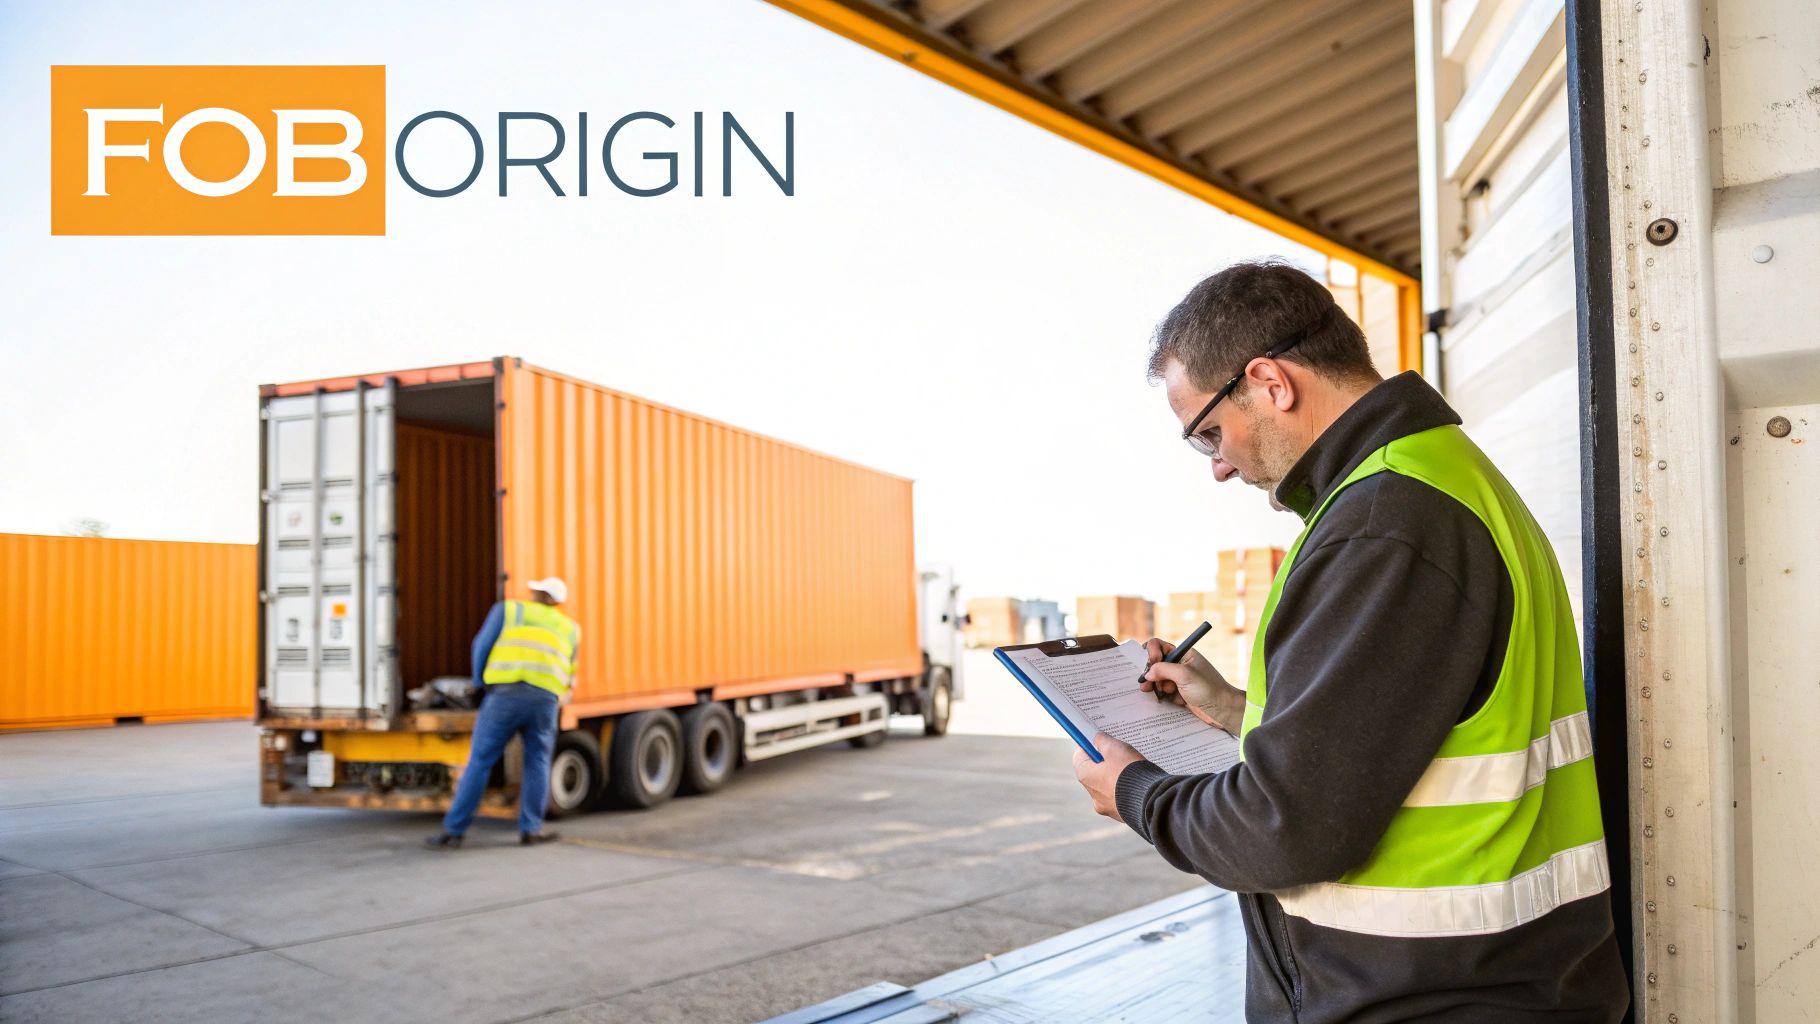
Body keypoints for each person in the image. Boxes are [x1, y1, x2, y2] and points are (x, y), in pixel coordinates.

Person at [1071, 261, 1629, 1022]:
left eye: (1208, 434)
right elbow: (1401, 731)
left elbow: (1285, 830)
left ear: (1269, 381)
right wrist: (1235, 710)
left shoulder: (1381, 528)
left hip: (1429, 997)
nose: (1221, 466)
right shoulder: (1438, 478)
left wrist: (1137, 794)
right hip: (1502, 981)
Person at [425, 577, 580, 849]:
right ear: (557, 602)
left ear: (535, 593)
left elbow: (480, 646)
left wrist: (479, 683)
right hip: (544, 701)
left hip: (505, 696)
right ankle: (530, 830)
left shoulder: (509, 611)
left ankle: (454, 831)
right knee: (538, 762)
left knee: (481, 760)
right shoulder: (569, 629)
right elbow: (570, 673)